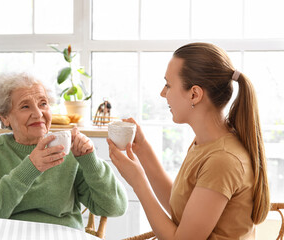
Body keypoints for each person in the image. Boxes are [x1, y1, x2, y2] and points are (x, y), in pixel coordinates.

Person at [107, 42, 270, 239]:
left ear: (194, 94)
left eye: (168, 85)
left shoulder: (223, 160)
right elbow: (183, 211)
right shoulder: (206, 143)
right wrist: (143, 152)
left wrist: (138, 183)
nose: (162, 93)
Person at [0, 71, 127, 229]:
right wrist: (30, 167)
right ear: (5, 117)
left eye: (43, 103)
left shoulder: (67, 150)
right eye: (25, 106)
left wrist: (90, 161)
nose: (38, 113)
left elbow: (114, 207)